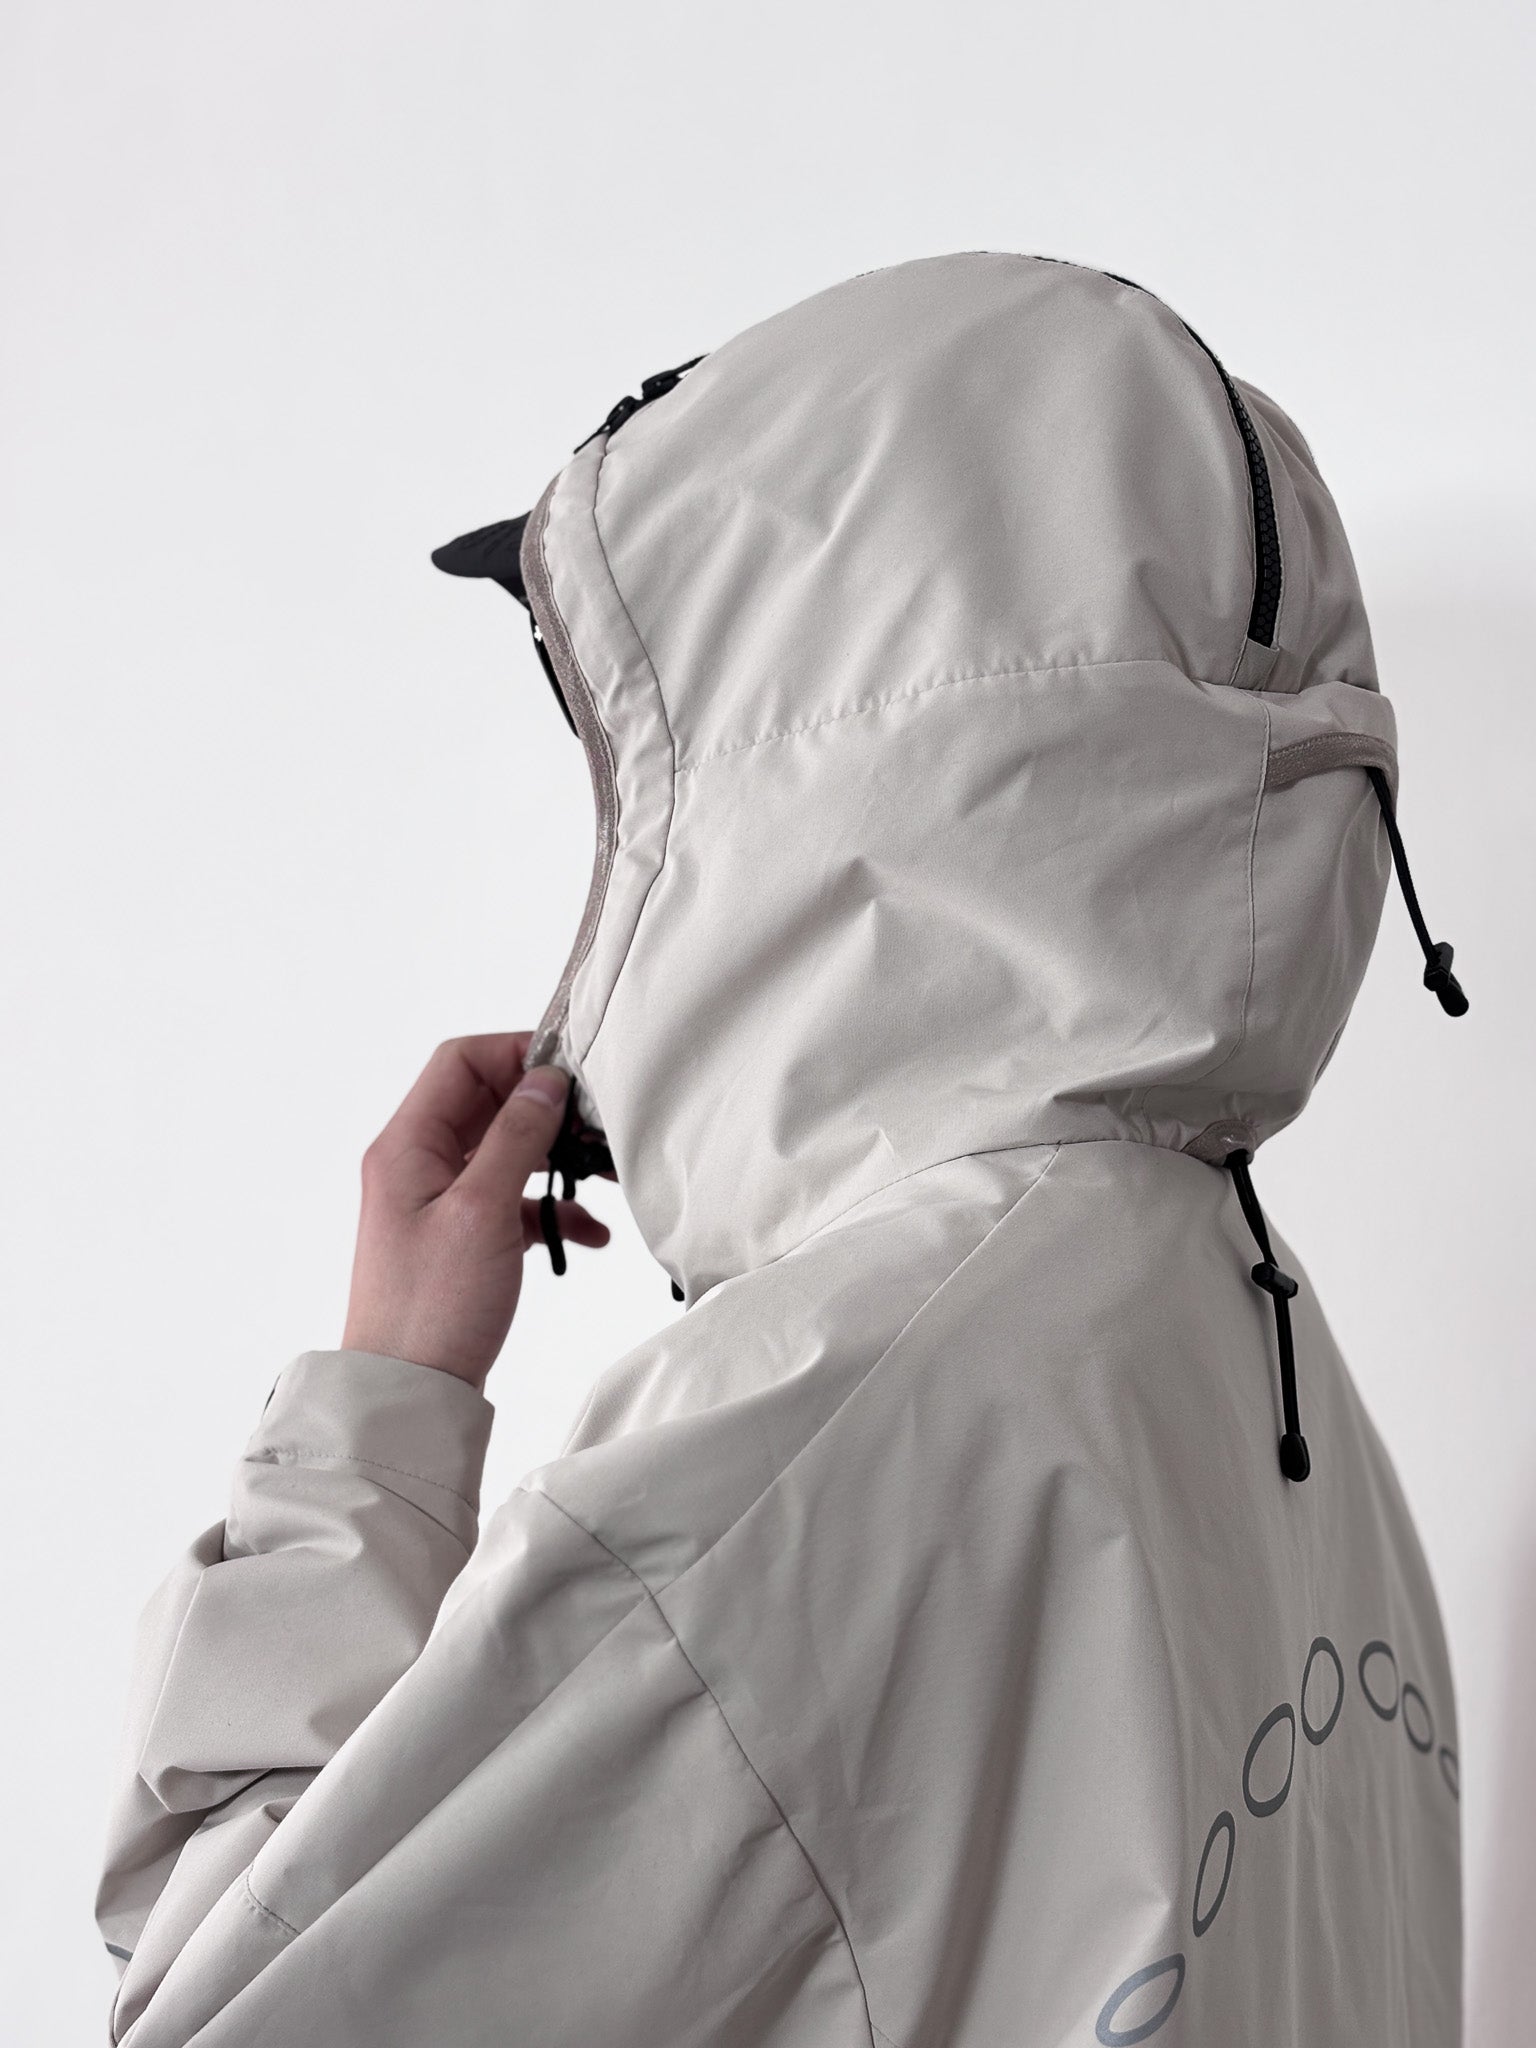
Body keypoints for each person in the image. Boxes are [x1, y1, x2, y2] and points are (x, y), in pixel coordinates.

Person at [97, 253, 1465, 2046]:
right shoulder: (1287, 1401)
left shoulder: (789, 1454)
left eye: (631, 774)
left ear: (782, 780)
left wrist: (382, 1409)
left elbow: (218, 2013)